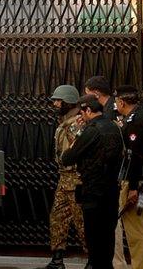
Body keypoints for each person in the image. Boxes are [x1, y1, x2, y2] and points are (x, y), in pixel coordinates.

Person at [61, 95, 123, 269]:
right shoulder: (114, 127)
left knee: (94, 236)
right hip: (112, 189)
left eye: (82, 112)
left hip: (93, 190)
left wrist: (77, 134)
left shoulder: (92, 130)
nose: (82, 117)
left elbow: (68, 158)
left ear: (88, 111)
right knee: (108, 234)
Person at [113, 85, 143, 269]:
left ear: (121, 102)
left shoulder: (134, 122)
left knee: (136, 229)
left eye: (116, 101)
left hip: (137, 184)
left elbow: (133, 156)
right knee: (141, 225)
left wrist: (132, 187)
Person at [44, 85, 86, 269]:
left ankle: (94, 260)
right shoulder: (65, 122)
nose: (54, 104)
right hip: (65, 180)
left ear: (68, 102)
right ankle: (57, 259)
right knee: (58, 218)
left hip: (77, 180)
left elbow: (80, 151)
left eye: (58, 101)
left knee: (82, 221)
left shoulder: (78, 123)